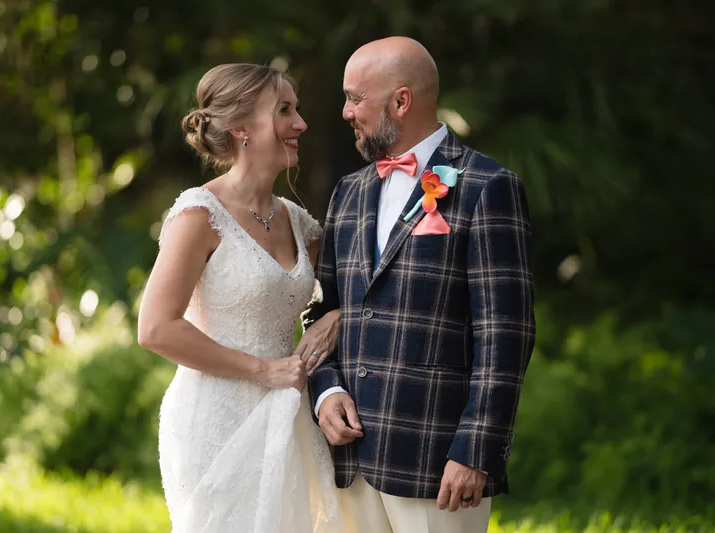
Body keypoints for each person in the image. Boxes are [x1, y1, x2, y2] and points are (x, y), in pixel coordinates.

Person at [305, 37, 536, 533]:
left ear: (401, 101)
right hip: (350, 460)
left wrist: (476, 448)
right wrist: (325, 392)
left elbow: (506, 333)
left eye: (354, 97)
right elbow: (321, 312)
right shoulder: (348, 192)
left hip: (438, 461)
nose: (345, 112)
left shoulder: (486, 186)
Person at [137, 63, 344, 533]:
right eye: (285, 111)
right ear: (241, 129)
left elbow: (351, 286)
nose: (301, 124)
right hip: (216, 418)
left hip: (288, 412)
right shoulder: (199, 214)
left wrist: (339, 315)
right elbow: (155, 328)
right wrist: (263, 370)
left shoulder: (296, 220)